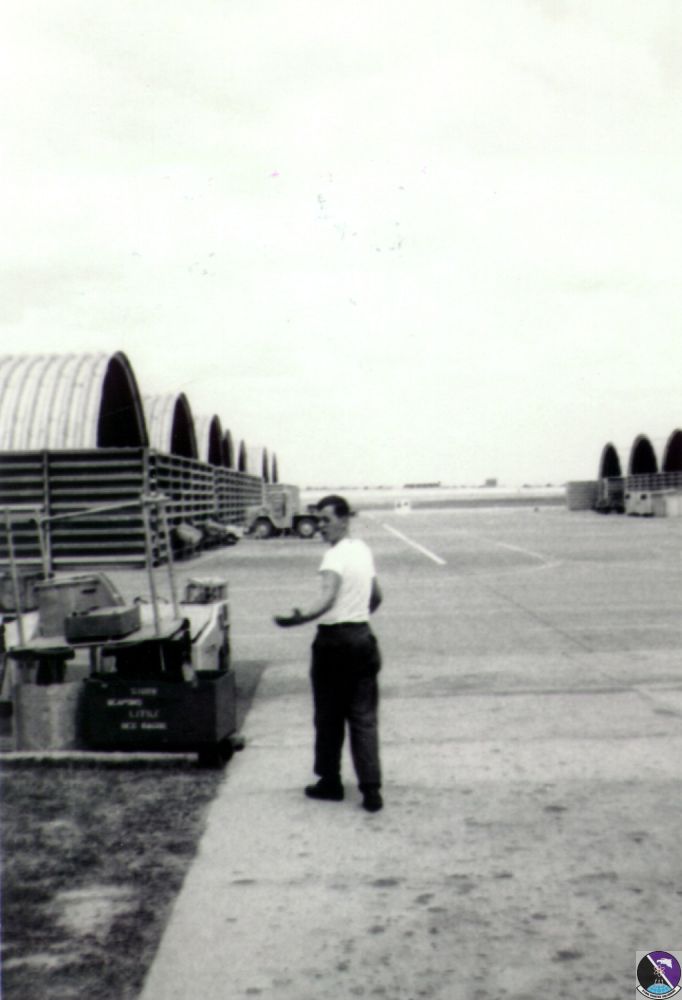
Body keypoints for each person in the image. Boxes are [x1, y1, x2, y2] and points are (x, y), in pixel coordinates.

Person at [273, 494, 384, 812]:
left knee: (328, 716)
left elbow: (327, 598)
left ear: (344, 520)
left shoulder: (333, 557)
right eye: (319, 520)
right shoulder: (362, 550)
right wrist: (357, 615)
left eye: (327, 520)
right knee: (363, 717)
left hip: (334, 643)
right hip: (362, 638)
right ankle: (371, 789)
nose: (321, 526)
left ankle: (330, 782)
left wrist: (299, 618)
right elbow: (376, 595)